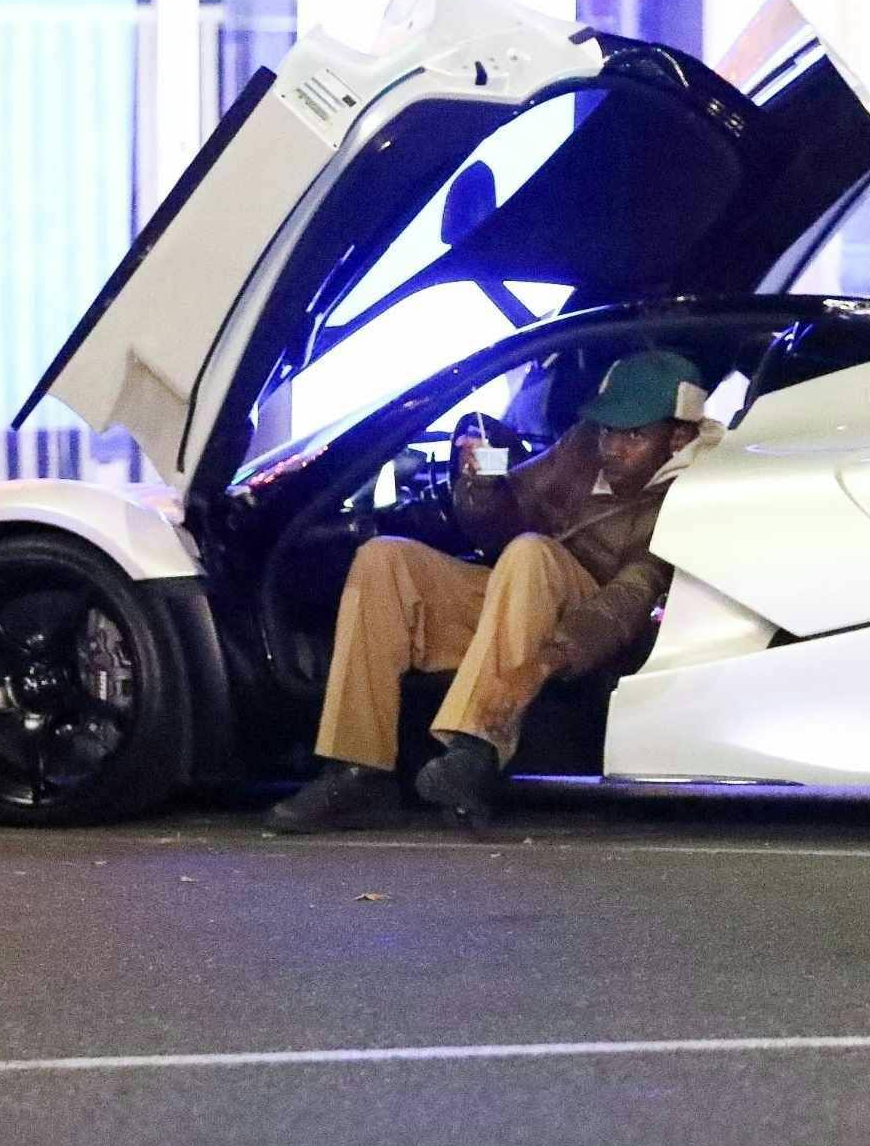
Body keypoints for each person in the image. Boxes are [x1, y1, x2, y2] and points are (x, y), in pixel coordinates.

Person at [264, 349, 722, 832]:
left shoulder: (700, 488)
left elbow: (634, 594)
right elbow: (509, 518)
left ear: (679, 436)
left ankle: (475, 749)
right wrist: (482, 488)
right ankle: (358, 768)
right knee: (386, 558)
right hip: (523, 605)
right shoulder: (583, 447)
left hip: (595, 633)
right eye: (609, 428)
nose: (612, 447)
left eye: (633, 435)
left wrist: (553, 655)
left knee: (531, 553)